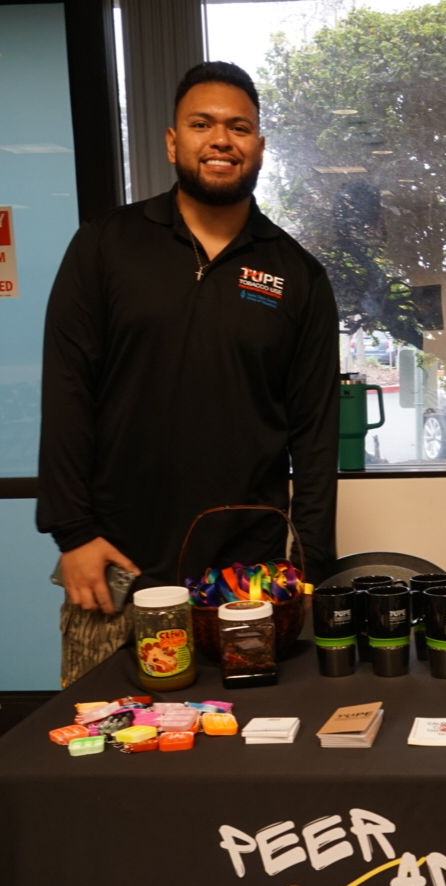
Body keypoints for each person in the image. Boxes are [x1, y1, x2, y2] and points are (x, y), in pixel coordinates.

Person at [37, 62, 340, 687]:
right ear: (173, 142)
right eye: (202, 124)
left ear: (259, 146)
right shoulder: (105, 246)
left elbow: (314, 433)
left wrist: (308, 567)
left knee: (243, 770)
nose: (221, 139)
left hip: (248, 586)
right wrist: (73, 533)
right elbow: (67, 391)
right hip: (114, 568)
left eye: (240, 127)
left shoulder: (298, 275)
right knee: (103, 763)